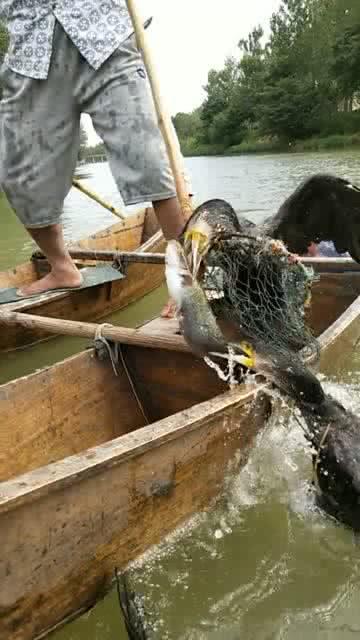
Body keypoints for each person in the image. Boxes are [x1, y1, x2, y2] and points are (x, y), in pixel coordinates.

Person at [0, 1, 188, 318]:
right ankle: (62, 269)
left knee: (147, 159)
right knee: (20, 176)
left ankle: (188, 283)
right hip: (29, 52)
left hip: (102, 32)